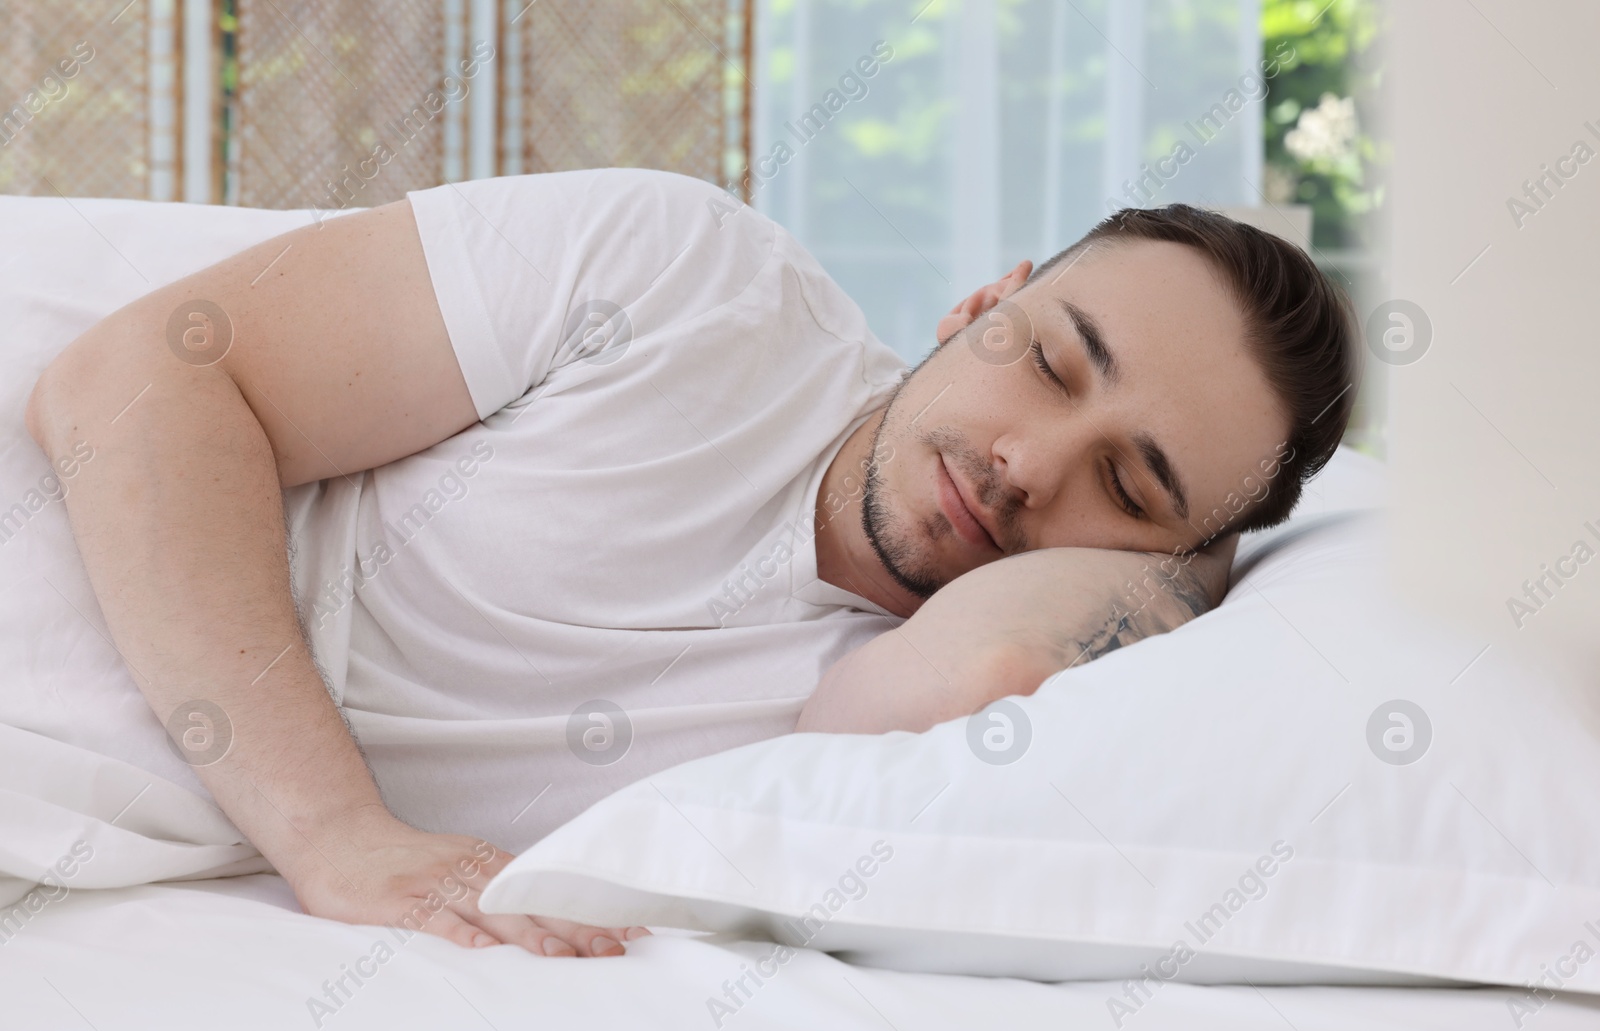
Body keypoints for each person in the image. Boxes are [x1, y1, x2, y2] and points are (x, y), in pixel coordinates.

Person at [24, 168, 1354, 961]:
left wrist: (1178, 581)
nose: (1025, 464)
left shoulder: (888, 728)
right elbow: (140, 383)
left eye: (1128, 484)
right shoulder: (687, 279)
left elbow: (986, 667)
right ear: (977, 306)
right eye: (1052, 361)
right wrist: (334, 833)